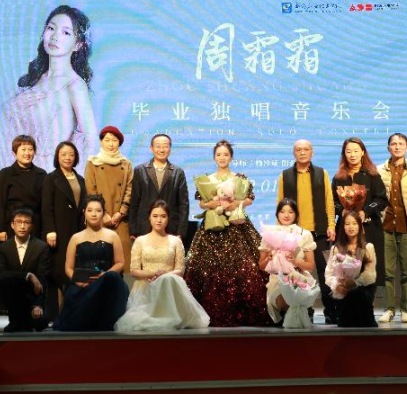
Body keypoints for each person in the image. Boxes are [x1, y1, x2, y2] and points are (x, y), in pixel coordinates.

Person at [185, 140, 270, 326]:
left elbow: (249, 199)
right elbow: (201, 203)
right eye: (218, 154)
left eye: (225, 154)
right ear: (214, 157)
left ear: (231, 157)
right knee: (208, 269)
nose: (222, 157)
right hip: (213, 226)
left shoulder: (239, 178)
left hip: (236, 226)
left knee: (244, 267)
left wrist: (238, 203)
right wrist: (210, 204)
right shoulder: (207, 179)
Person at [5, 4, 98, 169]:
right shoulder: (33, 79)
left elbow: (90, 143)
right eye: (51, 28)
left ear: (78, 45)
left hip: (49, 174)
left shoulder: (75, 85)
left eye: (66, 32)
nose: (55, 36)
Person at [115, 200, 210, 331]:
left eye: (163, 216)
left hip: (169, 286)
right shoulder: (140, 241)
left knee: (168, 280)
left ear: (168, 218)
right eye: (155, 216)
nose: (159, 220)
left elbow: (180, 270)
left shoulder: (176, 241)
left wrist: (163, 276)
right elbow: (134, 271)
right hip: (145, 287)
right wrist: (154, 274)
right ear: (149, 217)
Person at [277, 139, 337, 323]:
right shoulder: (285, 175)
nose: (302, 152)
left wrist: (331, 225)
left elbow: (329, 201)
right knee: (299, 274)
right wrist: (281, 231)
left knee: (325, 273)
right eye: (298, 150)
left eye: (306, 149)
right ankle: (304, 311)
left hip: (319, 231)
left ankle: (331, 312)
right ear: (293, 153)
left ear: (312, 152)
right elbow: (280, 205)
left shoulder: (321, 173)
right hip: (295, 235)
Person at [53, 194, 129, 331]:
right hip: (82, 284)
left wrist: (105, 276)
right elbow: (68, 268)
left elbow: (120, 263)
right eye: (90, 210)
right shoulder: (76, 238)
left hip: (106, 284)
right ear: (84, 212)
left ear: (103, 213)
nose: (94, 214)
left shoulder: (112, 235)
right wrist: (79, 282)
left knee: (112, 277)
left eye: (98, 210)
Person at [332, 138, 388, 307]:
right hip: (346, 231)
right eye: (348, 151)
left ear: (363, 152)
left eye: (356, 151)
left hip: (369, 229)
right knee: (345, 270)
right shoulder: (338, 177)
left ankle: (366, 308)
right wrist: (341, 211)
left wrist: (366, 210)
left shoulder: (372, 175)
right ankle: (346, 309)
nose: (352, 155)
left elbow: (381, 199)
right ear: (344, 154)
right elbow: (332, 202)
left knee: (367, 270)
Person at [377, 133, 407, 324]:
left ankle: (406, 309)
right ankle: (389, 309)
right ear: (388, 147)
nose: (397, 147)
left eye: (401, 144)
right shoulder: (378, 171)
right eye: (393, 144)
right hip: (385, 226)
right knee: (387, 272)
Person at [41, 141, 87, 319]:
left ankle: (72, 313)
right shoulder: (51, 178)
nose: (68, 157)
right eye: (64, 154)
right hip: (58, 231)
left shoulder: (80, 179)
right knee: (58, 271)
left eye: (71, 154)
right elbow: (47, 207)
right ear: (57, 157)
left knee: (75, 269)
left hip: (77, 231)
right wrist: (50, 230)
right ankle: (55, 314)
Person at [258, 199, 317, 325]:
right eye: (282, 211)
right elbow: (261, 266)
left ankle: (301, 314)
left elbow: (311, 266)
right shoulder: (270, 234)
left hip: (299, 277)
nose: (286, 215)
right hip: (277, 281)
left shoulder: (304, 234)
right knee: (284, 300)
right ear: (277, 214)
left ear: (296, 214)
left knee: (296, 296)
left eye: (290, 212)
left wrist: (295, 261)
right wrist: (269, 258)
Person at [84, 126, 134, 274]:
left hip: (120, 220)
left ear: (119, 143)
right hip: (99, 217)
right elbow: (91, 190)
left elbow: (129, 190)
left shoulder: (126, 164)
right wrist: (103, 214)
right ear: (101, 142)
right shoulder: (93, 162)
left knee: (121, 262)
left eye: (114, 140)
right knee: (99, 263)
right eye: (107, 140)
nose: (111, 144)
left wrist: (121, 213)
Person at [0, 208, 50, 332]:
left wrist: (37, 305)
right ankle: (15, 321)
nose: (22, 226)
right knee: (4, 281)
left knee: (40, 324)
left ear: (32, 226)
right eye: (19, 222)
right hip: (13, 296)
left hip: (32, 296)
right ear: (12, 225)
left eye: (26, 222)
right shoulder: (3, 247)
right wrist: (27, 275)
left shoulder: (41, 247)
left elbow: (42, 278)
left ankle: (24, 319)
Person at [128, 134, 190, 241]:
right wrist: (133, 229)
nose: (161, 150)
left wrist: (181, 232)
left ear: (170, 148)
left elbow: (183, 204)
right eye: (158, 146)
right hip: (144, 228)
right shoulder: (140, 170)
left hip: (170, 228)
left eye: (165, 146)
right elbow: (134, 203)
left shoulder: (178, 172)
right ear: (151, 148)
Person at [325, 211, 378, 327]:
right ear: (343, 227)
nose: (351, 227)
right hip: (343, 291)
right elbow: (328, 275)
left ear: (360, 226)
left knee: (357, 295)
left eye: (354, 223)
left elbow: (370, 274)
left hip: (362, 290)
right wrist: (337, 286)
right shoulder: (336, 248)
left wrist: (355, 282)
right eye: (347, 224)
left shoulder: (367, 247)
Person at [0, 135, 47, 241]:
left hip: (34, 227)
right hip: (11, 227)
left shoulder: (41, 174)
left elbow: (45, 206)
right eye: (23, 149)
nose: (27, 153)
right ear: (14, 152)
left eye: (30, 149)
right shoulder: (5, 174)